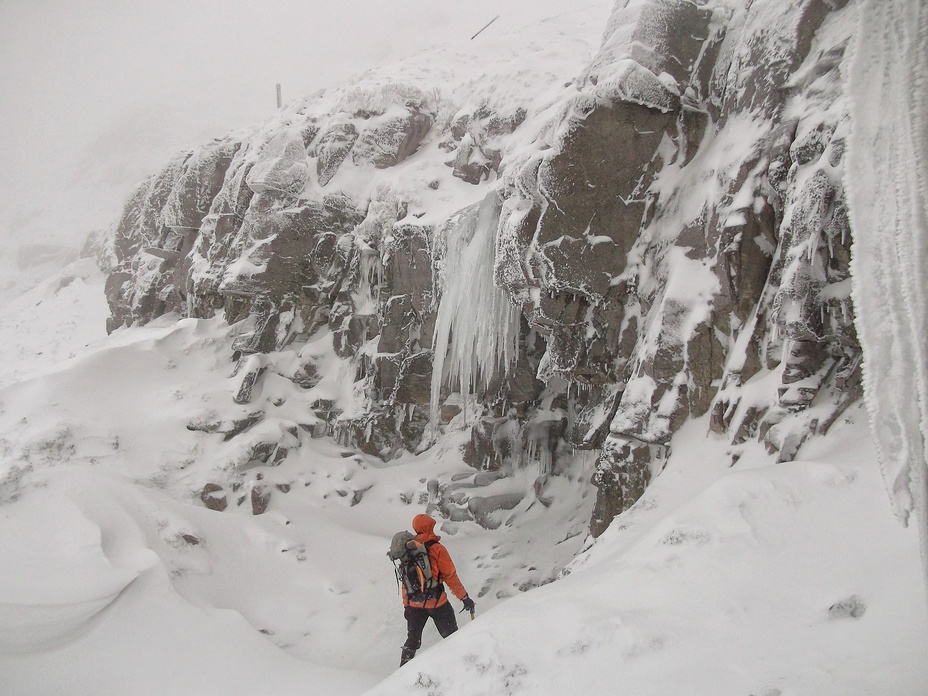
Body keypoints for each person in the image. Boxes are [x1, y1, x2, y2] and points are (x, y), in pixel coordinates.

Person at [399, 513, 475, 666]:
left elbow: (405, 581)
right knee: (453, 637)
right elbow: (450, 576)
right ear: (430, 527)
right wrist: (464, 598)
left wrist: (406, 604)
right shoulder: (437, 549)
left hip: (414, 605)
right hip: (437, 603)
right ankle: (462, 666)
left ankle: (401, 673)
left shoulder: (408, 550)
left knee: (412, 642)